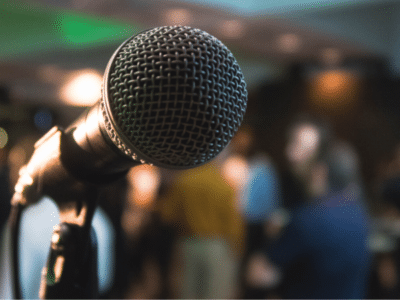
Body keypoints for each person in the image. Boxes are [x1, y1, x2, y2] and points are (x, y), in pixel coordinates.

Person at [249, 115, 371, 299]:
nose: (292, 153)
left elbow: (260, 273)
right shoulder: (357, 209)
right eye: (291, 143)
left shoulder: (310, 216)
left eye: (303, 147)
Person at [159, 147, 245, 299]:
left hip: (187, 243)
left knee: (186, 293)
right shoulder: (224, 186)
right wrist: (237, 249)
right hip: (217, 247)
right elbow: (233, 223)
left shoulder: (184, 181)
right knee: (215, 294)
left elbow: (168, 215)